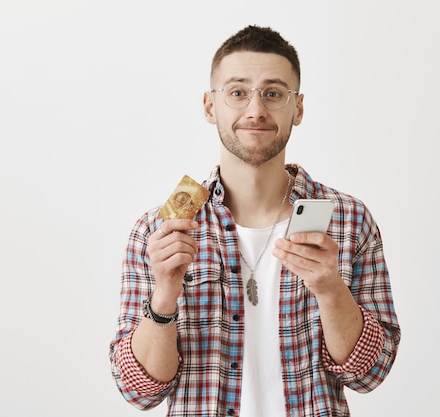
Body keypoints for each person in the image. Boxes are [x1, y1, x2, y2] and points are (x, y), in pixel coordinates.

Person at [109, 25, 401, 416]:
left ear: (297, 108)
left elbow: (371, 373)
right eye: (237, 92)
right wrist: (163, 296)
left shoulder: (348, 221)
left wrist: (331, 291)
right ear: (210, 106)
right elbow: (138, 391)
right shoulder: (158, 231)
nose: (256, 110)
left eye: (274, 93)